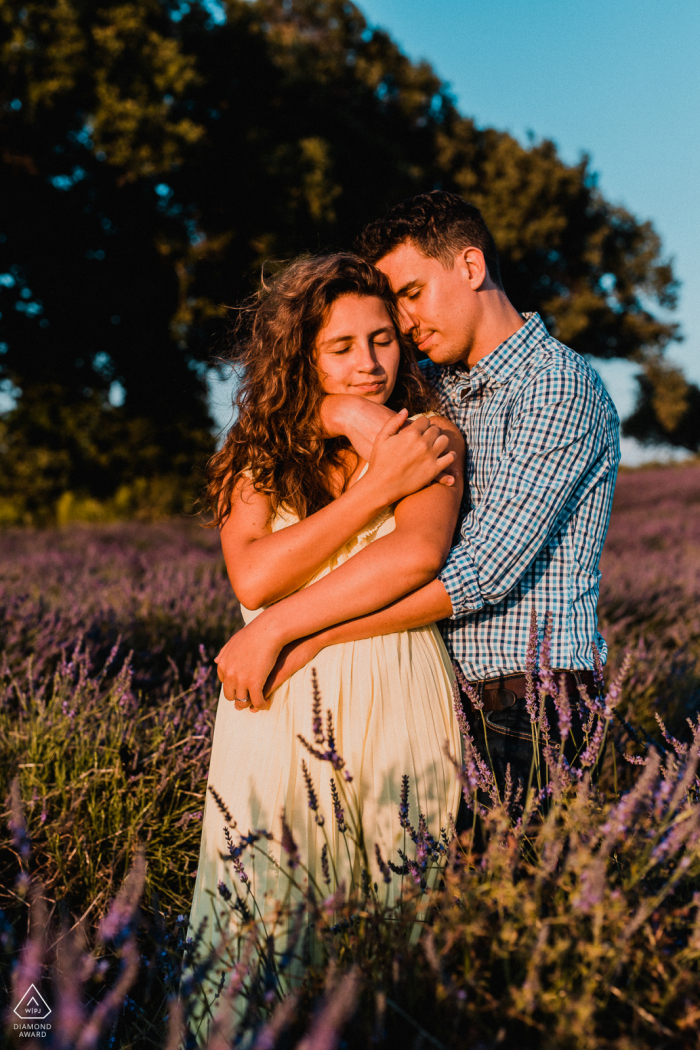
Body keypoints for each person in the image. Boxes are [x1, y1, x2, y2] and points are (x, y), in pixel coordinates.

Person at [216, 191, 621, 790]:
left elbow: (480, 571)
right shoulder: (435, 380)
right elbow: (320, 377)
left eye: (411, 294)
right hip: (444, 695)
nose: (402, 326)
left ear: (471, 267)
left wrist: (292, 632)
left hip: (529, 700)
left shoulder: (556, 388)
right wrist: (339, 412)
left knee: (517, 880)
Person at [186, 253, 464, 1024]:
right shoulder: (256, 449)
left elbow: (417, 554)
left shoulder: (431, 435)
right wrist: (372, 481)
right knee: (261, 924)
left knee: (395, 933)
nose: (369, 364)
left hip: (400, 696)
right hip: (275, 711)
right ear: (301, 354)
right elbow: (254, 578)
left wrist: (280, 628)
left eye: (383, 340)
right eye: (341, 348)